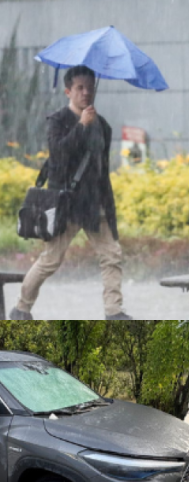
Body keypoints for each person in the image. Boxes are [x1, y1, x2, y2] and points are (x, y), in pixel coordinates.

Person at [10, 65, 132, 320]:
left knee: (111, 255)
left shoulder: (104, 126)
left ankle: (114, 311)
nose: (86, 92)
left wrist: (108, 206)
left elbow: (102, 169)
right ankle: (21, 307)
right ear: (68, 91)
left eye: (90, 87)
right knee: (50, 260)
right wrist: (81, 126)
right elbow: (59, 155)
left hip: (95, 203)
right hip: (66, 203)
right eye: (80, 88)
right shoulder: (57, 120)